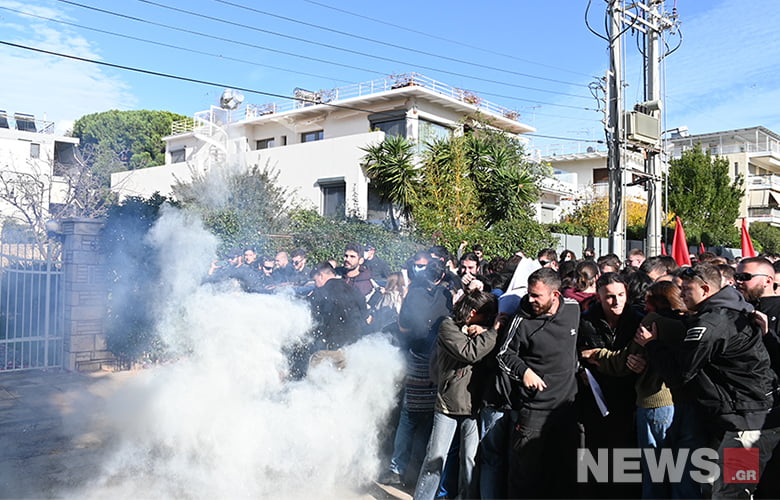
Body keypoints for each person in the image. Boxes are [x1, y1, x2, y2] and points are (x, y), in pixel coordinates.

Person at [637, 263, 780, 498]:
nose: (681, 294)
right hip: (740, 416)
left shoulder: (712, 322)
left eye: (686, 289)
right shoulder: (730, 308)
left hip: (744, 423)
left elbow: (680, 372)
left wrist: (652, 345)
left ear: (705, 289)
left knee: (731, 492)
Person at [497, 267, 581, 498]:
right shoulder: (522, 319)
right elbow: (504, 355)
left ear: (555, 295)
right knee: (526, 477)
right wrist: (524, 372)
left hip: (566, 408)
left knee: (565, 474)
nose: (530, 299)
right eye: (530, 293)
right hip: (533, 411)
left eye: (537, 296)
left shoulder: (574, 310)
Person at [413, 290, 498, 500]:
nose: (488, 320)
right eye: (485, 316)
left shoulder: (480, 329)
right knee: (435, 458)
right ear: (473, 313)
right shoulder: (447, 326)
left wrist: (485, 329)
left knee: (470, 460)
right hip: (448, 403)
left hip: (474, 403)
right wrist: (493, 331)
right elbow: (470, 352)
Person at [379, 261, 453, 487]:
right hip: (438, 360)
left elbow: (403, 326)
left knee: (410, 417)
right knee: (423, 419)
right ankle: (414, 471)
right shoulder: (447, 295)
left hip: (422, 358)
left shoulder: (416, 293)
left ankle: (399, 469)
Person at [577, 272, 642, 498]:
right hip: (594, 398)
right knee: (595, 456)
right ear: (599, 297)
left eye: (621, 295)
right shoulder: (585, 320)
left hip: (628, 397)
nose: (616, 302)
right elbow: (575, 355)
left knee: (626, 458)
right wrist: (580, 370)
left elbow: (635, 356)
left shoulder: (637, 319)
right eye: (610, 297)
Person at [298, 262, 369, 375]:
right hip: (352, 350)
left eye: (315, 281)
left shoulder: (320, 293)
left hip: (328, 350)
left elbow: (310, 321)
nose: (316, 285)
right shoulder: (355, 291)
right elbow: (365, 317)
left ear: (321, 275)